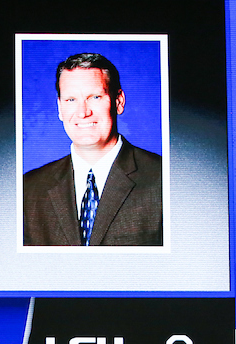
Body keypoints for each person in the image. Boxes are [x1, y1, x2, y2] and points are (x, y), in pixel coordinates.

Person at [22, 52, 163, 246]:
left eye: (95, 97)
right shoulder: (28, 189)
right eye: (71, 100)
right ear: (60, 108)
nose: (83, 112)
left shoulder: (164, 180)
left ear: (118, 101)